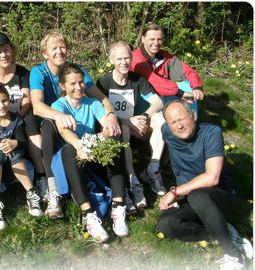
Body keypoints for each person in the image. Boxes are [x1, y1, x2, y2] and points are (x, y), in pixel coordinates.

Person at [157, 99, 253, 270]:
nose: (179, 125)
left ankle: (234, 257)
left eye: (182, 119)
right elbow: (169, 147)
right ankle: (223, 232)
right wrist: (158, 167)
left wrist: (174, 192)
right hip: (188, 198)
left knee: (198, 195)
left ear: (193, 115)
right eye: (173, 122)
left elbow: (212, 178)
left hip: (217, 196)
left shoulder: (211, 133)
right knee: (167, 224)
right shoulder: (167, 131)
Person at [30, 31, 121, 220]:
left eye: (62, 47)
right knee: (48, 125)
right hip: (53, 119)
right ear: (45, 54)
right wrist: (59, 116)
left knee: (112, 132)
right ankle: (53, 188)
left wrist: (111, 114)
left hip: (78, 119)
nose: (59, 51)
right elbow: (37, 106)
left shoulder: (76, 70)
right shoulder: (39, 72)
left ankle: (121, 192)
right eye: (53, 48)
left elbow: (100, 97)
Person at [51, 63, 129, 240]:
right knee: (69, 149)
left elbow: (109, 129)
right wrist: (80, 145)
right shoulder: (59, 105)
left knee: (115, 140)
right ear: (62, 86)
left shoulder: (93, 103)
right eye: (72, 84)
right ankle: (88, 213)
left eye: (81, 82)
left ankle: (118, 204)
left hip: (92, 152)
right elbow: (64, 131)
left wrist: (91, 142)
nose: (78, 87)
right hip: (73, 158)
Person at [96, 41, 166, 212]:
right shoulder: (104, 83)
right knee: (124, 128)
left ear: (131, 58)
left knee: (160, 119)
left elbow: (157, 102)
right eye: (119, 58)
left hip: (138, 129)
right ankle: (132, 180)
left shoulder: (137, 79)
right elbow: (101, 112)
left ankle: (153, 169)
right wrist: (127, 121)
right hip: (118, 132)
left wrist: (143, 117)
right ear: (112, 60)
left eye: (127, 58)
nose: (124, 62)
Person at [0, 82, 43, 230]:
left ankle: (31, 194)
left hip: (15, 168)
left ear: (9, 100)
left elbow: (24, 143)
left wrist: (14, 143)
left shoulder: (15, 119)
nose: (2, 105)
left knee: (13, 150)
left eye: (4, 100)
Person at [130, 23, 203, 118]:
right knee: (163, 93)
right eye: (152, 39)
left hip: (164, 95)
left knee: (186, 85)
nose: (156, 43)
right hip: (144, 100)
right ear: (143, 39)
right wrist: (181, 93)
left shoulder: (164, 57)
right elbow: (154, 82)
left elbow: (188, 72)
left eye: (159, 39)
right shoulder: (135, 59)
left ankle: (191, 122)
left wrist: (197, 88)